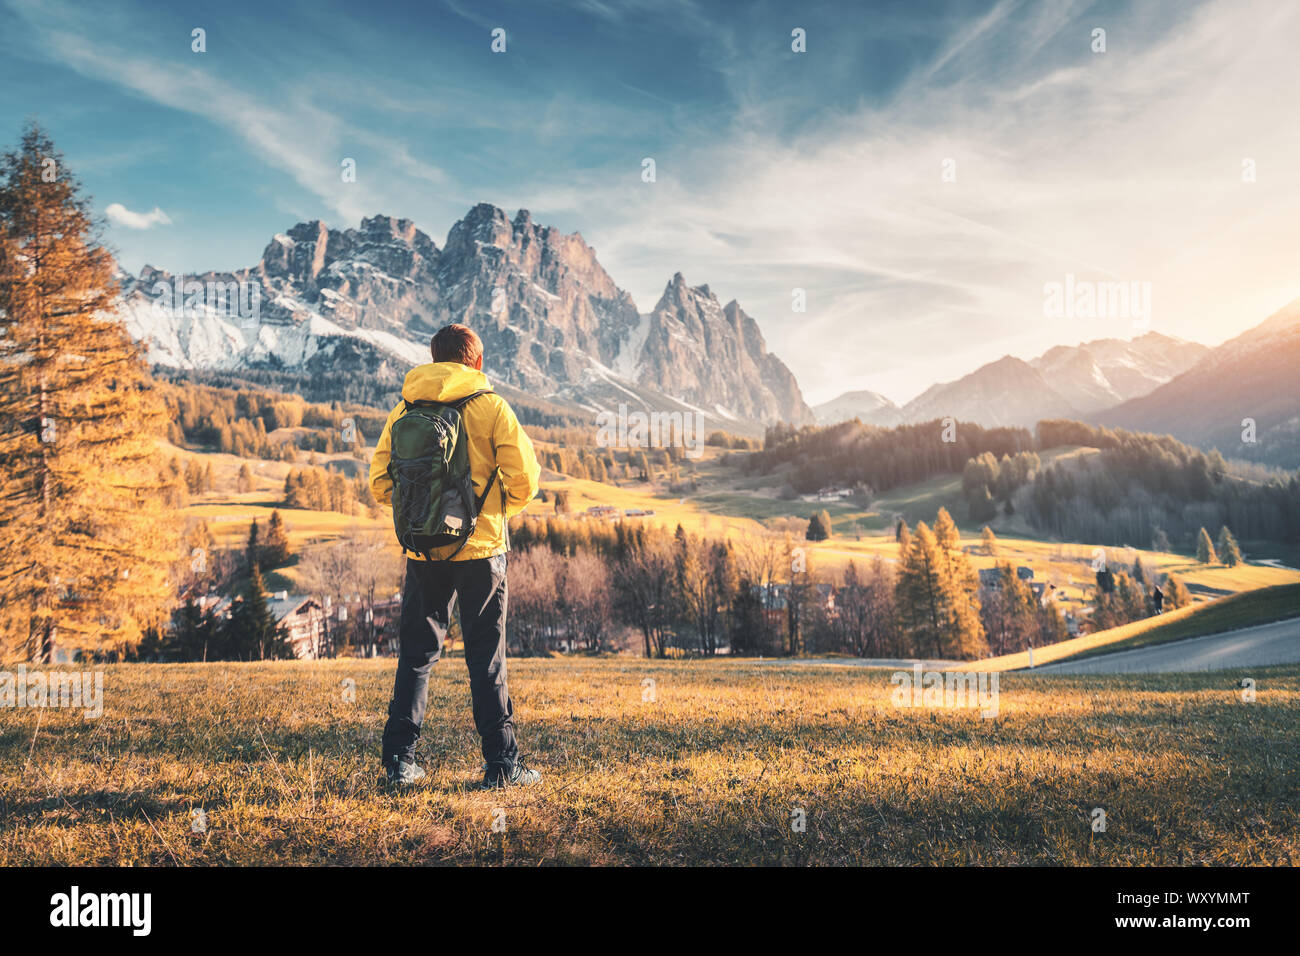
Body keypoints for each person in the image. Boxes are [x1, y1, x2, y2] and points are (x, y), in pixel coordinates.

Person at [369, 324, 541, 788]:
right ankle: (502, 766)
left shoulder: (404, 408)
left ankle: (398, 764)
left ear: (433, 358)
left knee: (418, 655)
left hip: (424, 552)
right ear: (476, 362)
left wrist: (421, 514)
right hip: (482, 551)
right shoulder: (491, 407)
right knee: (486, 656)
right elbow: (526, 480)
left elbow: (380, 483)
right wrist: (496, 511)